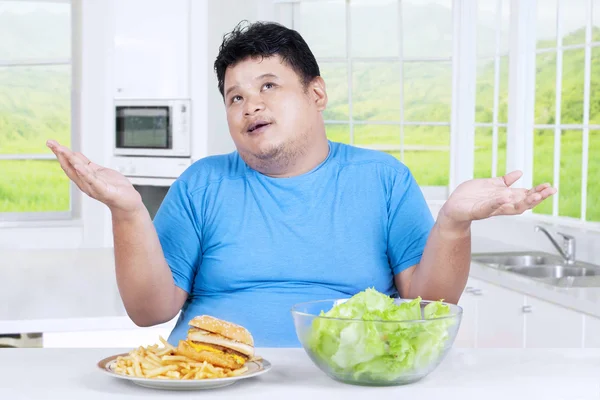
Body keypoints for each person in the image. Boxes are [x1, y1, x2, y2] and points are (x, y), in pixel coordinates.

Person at [46, 21, 556, 347]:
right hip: (210, 378)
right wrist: (128, 212)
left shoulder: (382, 179)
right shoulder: (203, 183)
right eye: (234, 97)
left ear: (316, 93)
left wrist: (453, 224)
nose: (250, 105)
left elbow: (427, 307)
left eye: (268, 86)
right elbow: (148, 311)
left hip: (345, 382)